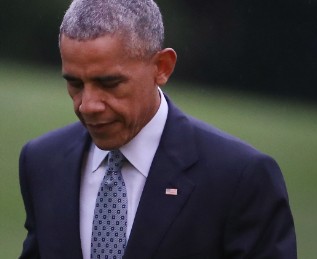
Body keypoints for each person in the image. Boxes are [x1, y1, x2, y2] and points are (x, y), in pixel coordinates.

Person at [18, 0, 297, 258]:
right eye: (75, 84)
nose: (88, 105)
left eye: (109, 83)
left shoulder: (240, 178)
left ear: (162, 67)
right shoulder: (42, 162)